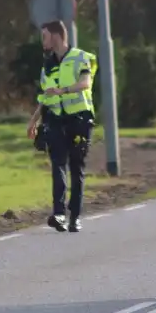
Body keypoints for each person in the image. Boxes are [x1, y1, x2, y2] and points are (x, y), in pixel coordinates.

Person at [26, 21, 97, 233]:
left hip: (79, 120)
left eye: (45, 36)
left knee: (76, 167)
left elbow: (85, 83)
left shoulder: (79, 57)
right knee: (58, 165)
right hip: (56, 120)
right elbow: (46, 96)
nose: (43, 41)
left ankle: (75, 216)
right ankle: (58, 214)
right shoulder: (47, 66)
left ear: (57, 35)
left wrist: (63, 90)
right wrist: (34, 120)